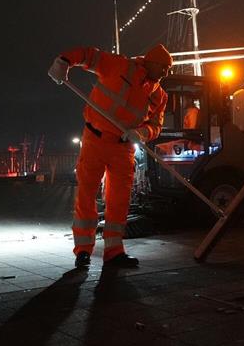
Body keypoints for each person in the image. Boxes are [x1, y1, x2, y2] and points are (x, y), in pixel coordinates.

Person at [48, 43, 171, 269]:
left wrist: (141, 133)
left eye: (168, 69)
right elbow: (89, 56)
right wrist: (64, 61)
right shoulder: (120, 65)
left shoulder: (159, 96)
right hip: (95, 139)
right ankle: (83, 251)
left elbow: (156, 126)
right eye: (164, 67)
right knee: (86, 195)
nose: (166, 73)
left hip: (123, 148)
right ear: (151, 62)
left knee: (119, 201)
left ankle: (114, 252)